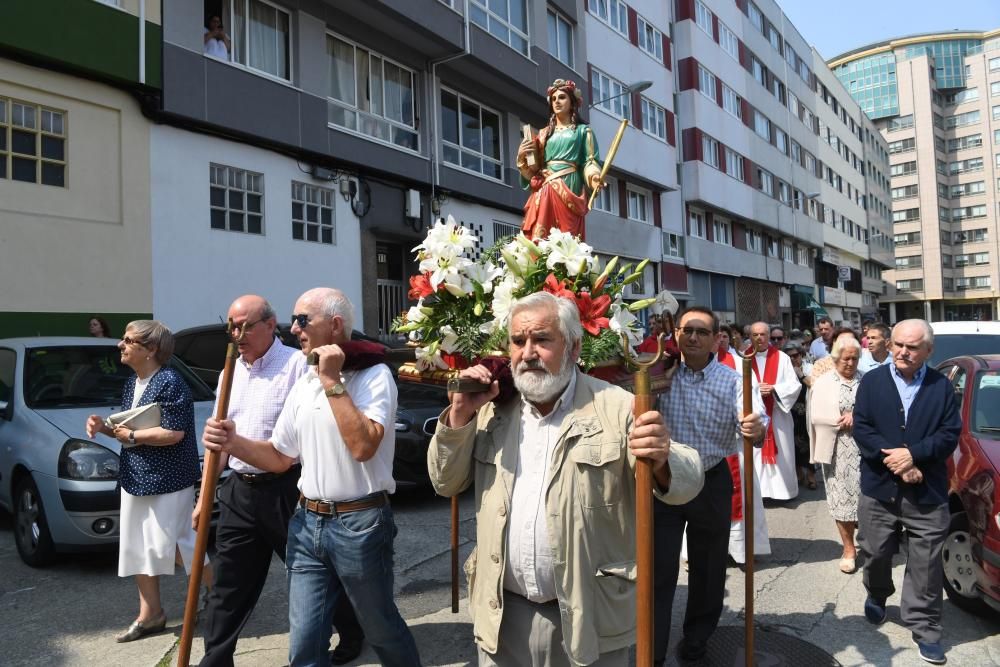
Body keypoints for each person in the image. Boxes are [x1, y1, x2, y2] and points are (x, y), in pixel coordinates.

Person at [428, 292, 704, 666]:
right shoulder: (490, 411)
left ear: (573, 348)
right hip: (502, 618)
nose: (527, 353)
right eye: (518, 341)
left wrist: (661, 457)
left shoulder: (617, 406)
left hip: (591, 620)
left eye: (542, 339)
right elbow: (445, 481)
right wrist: (458, 416)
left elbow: (687, 483)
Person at [202, 288, 419, 667]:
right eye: (293, 321)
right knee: (303, 643)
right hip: (306, 523)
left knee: (380, 627)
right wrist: (233, 442)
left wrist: (333, 382)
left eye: (303, 320)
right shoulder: (304, 382)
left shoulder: (374, 376)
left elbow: (363, 446)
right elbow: (279, 456)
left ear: (335, 326)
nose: (294, 329)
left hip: (360, 523)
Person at [84, 320, 208, 642]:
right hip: (136, 476)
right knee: (137, 545)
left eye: (128, 341)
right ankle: (150, 614)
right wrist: (104, 427)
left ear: (151, 349)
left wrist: (133, 435)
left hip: (169, 479)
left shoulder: (169, 382)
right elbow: (128, 429)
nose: (120, 346)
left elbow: (174, 432)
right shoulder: (133, 383)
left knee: (180, 544)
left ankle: (221, 597)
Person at [655, 306, 765, 663]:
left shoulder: (735, 380)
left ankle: (697, 639)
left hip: (710, 479)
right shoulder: (661, 375)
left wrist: (756, 429)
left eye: (702, 332)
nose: (693, 337)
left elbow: (754, 420)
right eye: (687, 330)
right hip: (664, 480)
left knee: (708, 567)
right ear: (677, 336)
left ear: (717, 339)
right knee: (659, 567)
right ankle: (652, 646)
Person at [853, 320, 961, 666]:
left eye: (912, 347)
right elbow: (863, 429)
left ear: (928, 351)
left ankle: (925, 627)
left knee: (926, 563)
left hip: (926, 491)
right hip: (879, 489)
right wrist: (898, 462)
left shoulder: (941, 387)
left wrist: (914, 455)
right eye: (898, 344)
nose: (902, 352)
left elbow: (949, 435)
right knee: (876, 550)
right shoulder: (872, 382)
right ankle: (878, 593)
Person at [517, 79, 602, 241]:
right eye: (554, 98)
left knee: (568, 237)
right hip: (546, 188)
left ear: (573, 102)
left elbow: (590, 161)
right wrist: (522, 156)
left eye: (562, 97)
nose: (557, 101)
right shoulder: (543, 134)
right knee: (542, 239)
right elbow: (532, 171)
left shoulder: (583, 132)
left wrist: (594, 177)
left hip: (570, 184)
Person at [808, 336, 863, 574]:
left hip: (865, 449)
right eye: (846, 358)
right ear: (836, 358)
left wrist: (857, 416)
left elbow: (879, 412)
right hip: (836, 449)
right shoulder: (824, 383)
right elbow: (814, 417)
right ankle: (849, 548)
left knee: (866, 500)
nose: (850, 363)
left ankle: (870, 543)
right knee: (842, 501)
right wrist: (839, 420)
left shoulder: (867, 381)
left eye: (854, 358)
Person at [748, 322, 803, 501]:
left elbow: (794, 385)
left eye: (763, 334)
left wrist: (774, 388)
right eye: (755, 334)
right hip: (754, 416)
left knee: (783, 452)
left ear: (769, 336)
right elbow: (736, 384)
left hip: (777, 415)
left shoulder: (781, 357)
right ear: (750, 337)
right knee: (755, 454)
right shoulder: (744, 358)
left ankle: (783, 492)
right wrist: (756, 389)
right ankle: (760, 493)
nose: (759, 338)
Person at [782, 341, 815, 490]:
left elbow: (814, 384)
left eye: (796, 355)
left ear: (801, 355)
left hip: (808, 411)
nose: (793, 359)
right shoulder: (784, 370)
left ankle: (811, 475)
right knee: (793, 443)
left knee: (809, 444)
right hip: (791, 412)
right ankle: (799, 473)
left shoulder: (810, 368)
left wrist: (801, 375)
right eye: (789, 357)